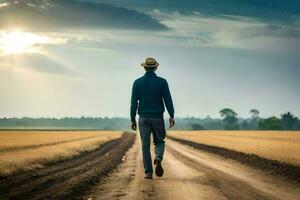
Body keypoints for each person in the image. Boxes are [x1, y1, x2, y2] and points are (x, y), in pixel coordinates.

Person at [130, 57, 175, 179]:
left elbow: (133, 103)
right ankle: (158, 158)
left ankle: (149, 172)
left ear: (144, 67)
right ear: (155, 68)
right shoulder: (162, 82)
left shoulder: (137, 82)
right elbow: (168, 100)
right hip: (158, 118)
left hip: (143, 119)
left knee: (145, 145)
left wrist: (132, 118)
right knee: (160, 141)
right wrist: (171, 115)